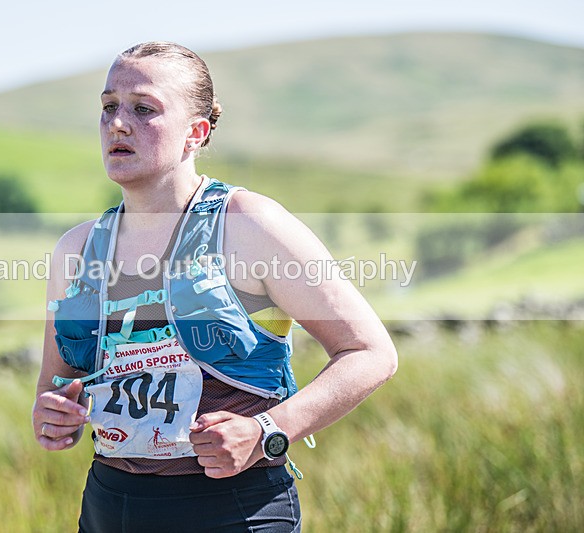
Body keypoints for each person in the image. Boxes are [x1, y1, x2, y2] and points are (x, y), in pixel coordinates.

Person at [32, 41, 397, 532]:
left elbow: (370, 352)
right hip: (109, 506)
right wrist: (55, 418)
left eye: (144, 109)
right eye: (108, 106)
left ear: (195, 133)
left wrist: (268, 430)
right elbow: (55, 390)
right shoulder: (74, 250)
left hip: (234, 509)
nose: (118, 123)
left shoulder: (250, 225)